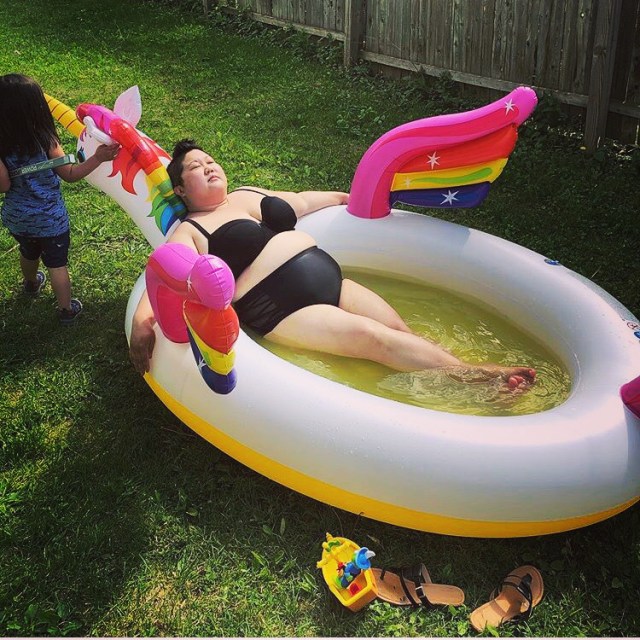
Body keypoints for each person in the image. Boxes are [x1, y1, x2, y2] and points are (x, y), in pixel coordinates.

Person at [130, 139, 536, 389]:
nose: (209, 167)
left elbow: (302, 201)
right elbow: (166, 274)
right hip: (283, 307)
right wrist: (140, 323)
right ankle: (482, 377)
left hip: (332, 281)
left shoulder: (248, 193)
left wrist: (344, 198)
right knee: (374, 340)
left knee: (400, 331)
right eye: (196, 168)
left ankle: (458, 371)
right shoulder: (191, 230)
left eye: (211, 160)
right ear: (182, 189)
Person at [0, 73, 119, 324]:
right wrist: (97, 158)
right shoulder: (47, 141)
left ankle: (31, 284)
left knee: (28, 251)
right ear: (38, 109)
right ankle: (66, 310)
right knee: (57, 264)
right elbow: (71, 174)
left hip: (18, 218)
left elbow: (4, 185)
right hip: (51, 220)